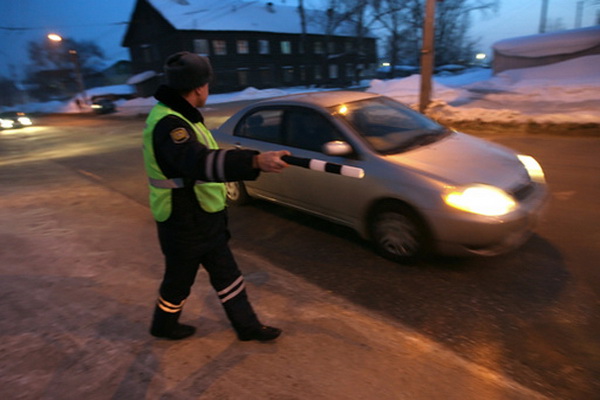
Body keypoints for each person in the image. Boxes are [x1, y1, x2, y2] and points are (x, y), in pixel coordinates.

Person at [142, 51, 290, 341]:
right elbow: (200, 162)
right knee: (178, 282)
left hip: (200, 214)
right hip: (182, 219)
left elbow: (202, 160)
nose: (208, 90)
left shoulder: (180, 117)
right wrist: (255, 162)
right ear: (198, 87)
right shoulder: (171, 125)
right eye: (207, 84)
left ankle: (247, 327)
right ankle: (163, 325)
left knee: (226, 274)